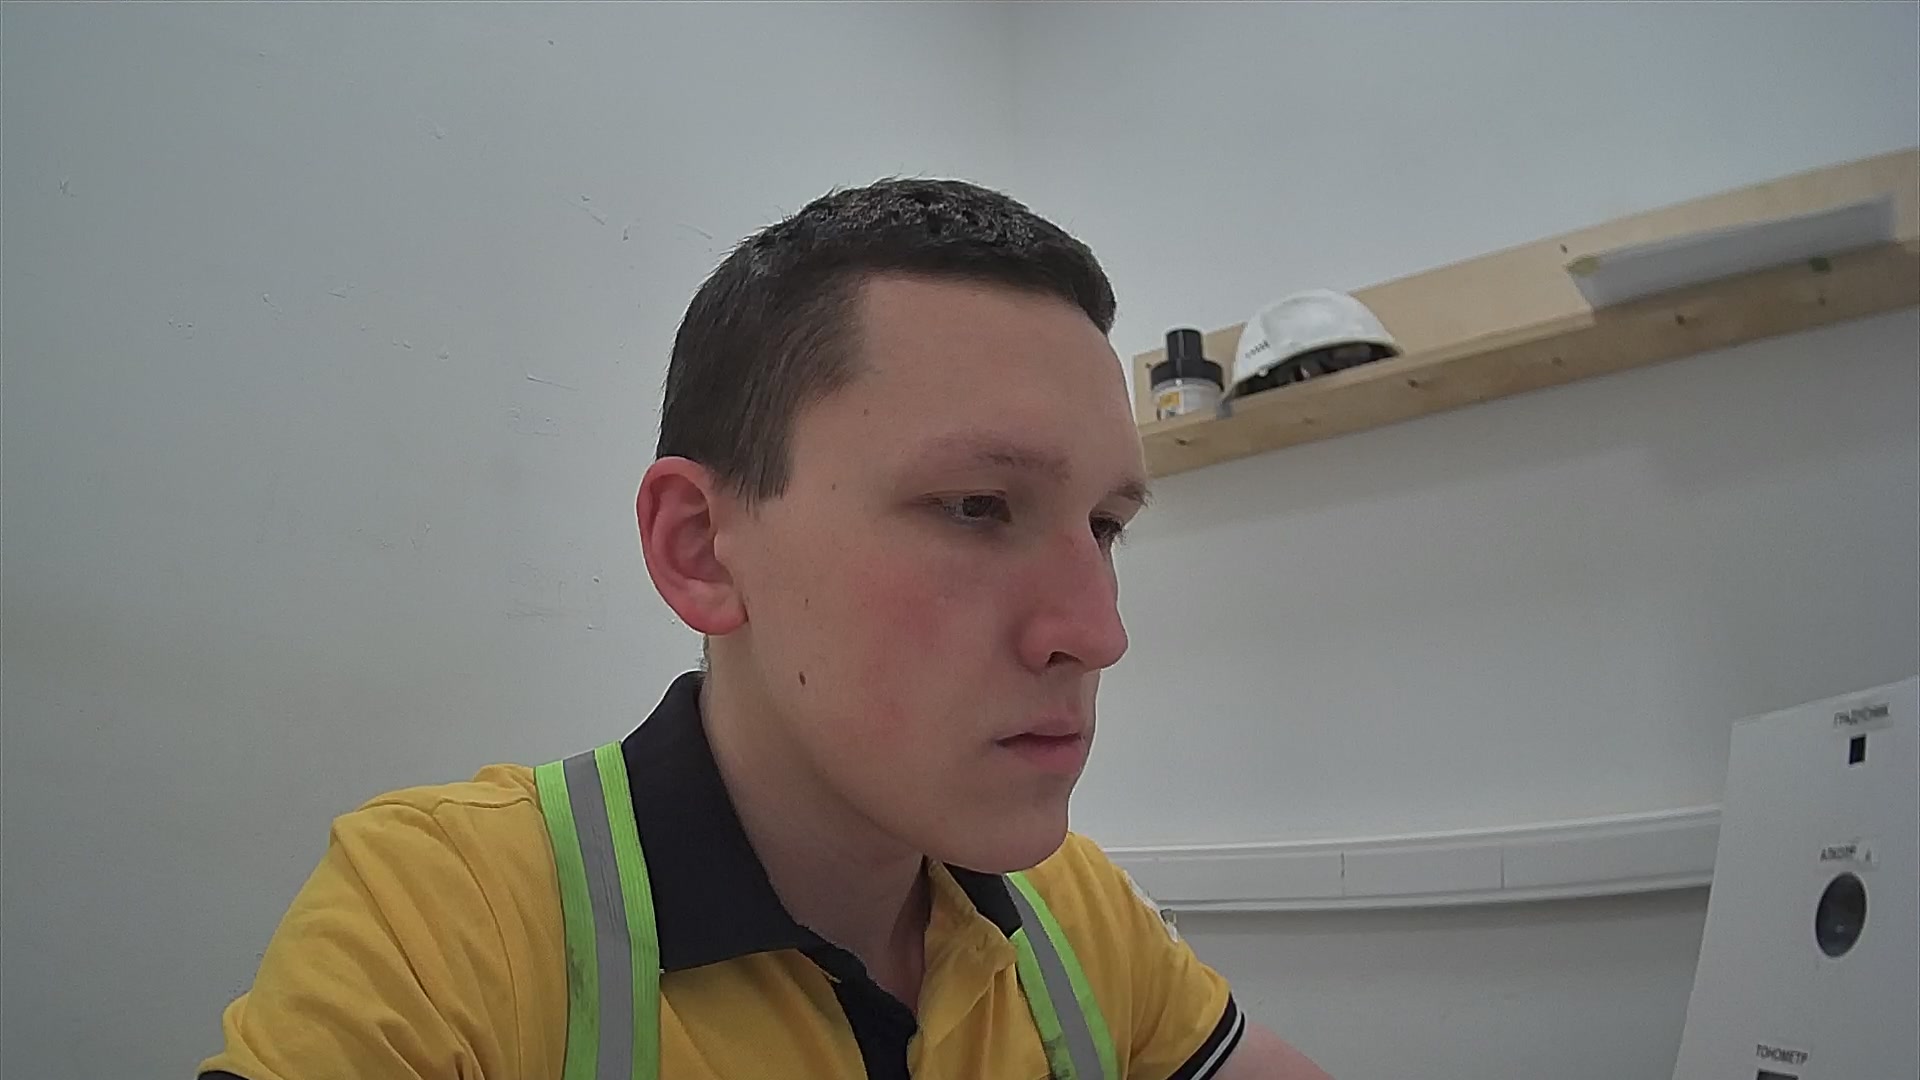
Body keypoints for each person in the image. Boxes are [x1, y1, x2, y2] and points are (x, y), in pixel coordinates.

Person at [200, 179, 1330, 1080]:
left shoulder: (1069, 911)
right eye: (977, 507)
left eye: (1104, 525)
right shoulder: (446, 923)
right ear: (701, 547)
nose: (1096, 632)